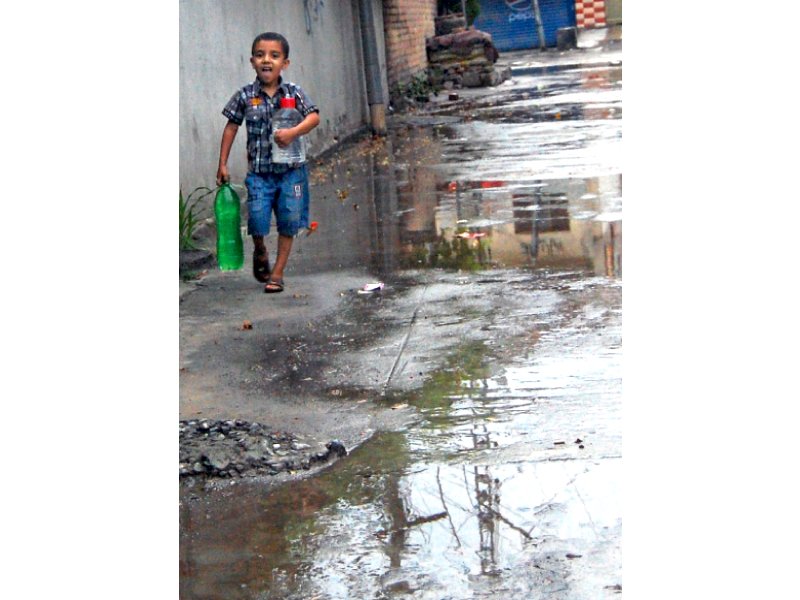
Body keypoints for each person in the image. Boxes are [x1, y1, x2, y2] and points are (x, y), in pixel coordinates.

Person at [216, 32, 320, 293]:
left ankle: (277, 273)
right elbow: (231, 127)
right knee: (257, 220)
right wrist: (223, 164)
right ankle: (260, 248)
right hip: (260, 175)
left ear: (285, 63)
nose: (267, 60)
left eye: (274, 56)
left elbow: (314, 117)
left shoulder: (294, 92)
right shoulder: (245, 95)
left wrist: (293, 132)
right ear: (252, 61)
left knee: (289, 220)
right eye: (261, 55)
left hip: (291, 173)